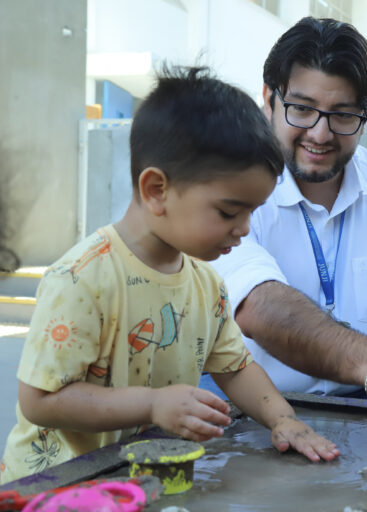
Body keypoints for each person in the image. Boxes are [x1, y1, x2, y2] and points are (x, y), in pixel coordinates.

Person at [0, 66, 339, 484]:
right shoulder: (82, 279)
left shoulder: (206, 282)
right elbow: (40, 401)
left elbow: (234, 367)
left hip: (139, 480)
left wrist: (283, 419)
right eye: (229, 211)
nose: (245, 228)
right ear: (156, 190)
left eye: (253, 212)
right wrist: (153, 404)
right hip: (57, 488)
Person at [210, 17, 367, 447]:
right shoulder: (225, 185)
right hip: (245, 414)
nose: (319, 133)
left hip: (366, 417)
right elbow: (257, 305)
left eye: (343, 115)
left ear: (366, 117)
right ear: (268, 99)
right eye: (302, 108)